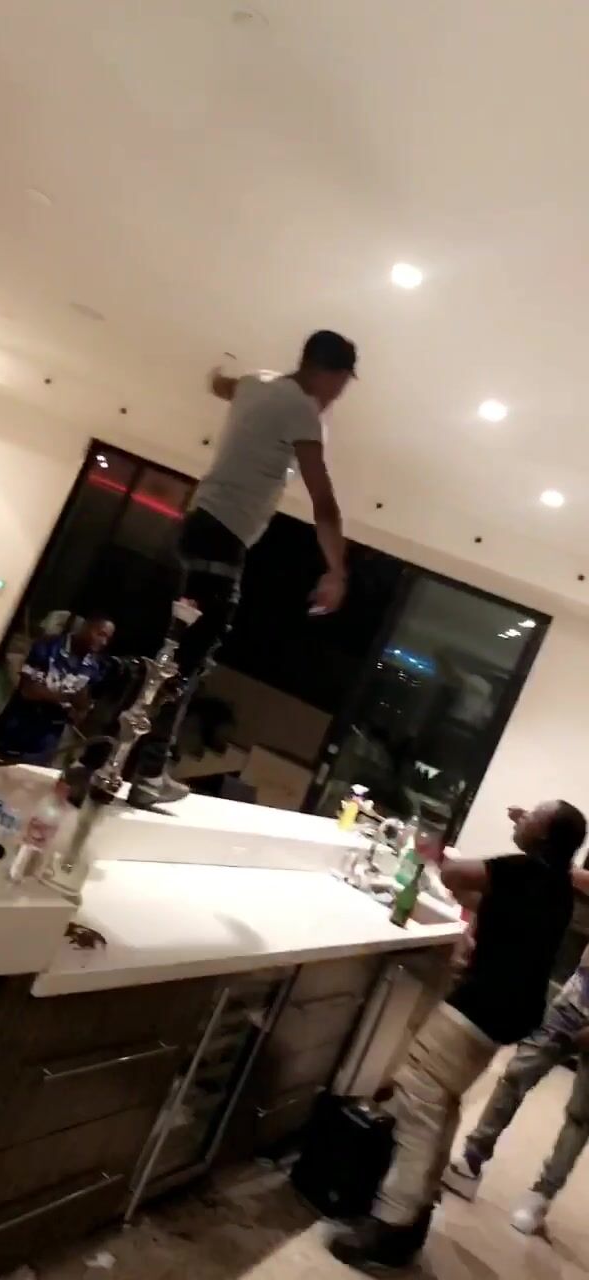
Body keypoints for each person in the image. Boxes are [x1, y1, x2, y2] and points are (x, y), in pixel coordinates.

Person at [330, 800, 587, 1273]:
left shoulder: (524, 870)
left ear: (544, 837)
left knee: (416, 1101)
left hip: (480, 1006)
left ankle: (390, 1226)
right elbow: (488, 899)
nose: (521, 818)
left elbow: (452, 873)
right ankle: (417, 1213)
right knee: (440, 1103)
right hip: (506, 1013)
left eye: (533, 817)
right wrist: (522, 836)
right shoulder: (556, 888)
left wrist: (441, 852)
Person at [128, 329, 357, 809]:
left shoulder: (257, 383)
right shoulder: (303, 413)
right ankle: (146, 772)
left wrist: (217, 370)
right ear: (329, 373)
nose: (338, 395)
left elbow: (221, 385)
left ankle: (137, 760)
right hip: (222, 537)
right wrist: (337, 571)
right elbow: (323, 502)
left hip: (198, 525)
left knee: (178, 651)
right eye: (341, 383)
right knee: (191, 659)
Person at [445, 862, 589, 1237]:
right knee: (515, 1075)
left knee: (581, 1115)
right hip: (575, 999)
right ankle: (471, 1160)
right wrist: (553, 862)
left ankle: (541, 1196)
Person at [0, 616, 115, 764]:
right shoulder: (48, 645)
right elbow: (28, 690)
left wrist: (81, 708)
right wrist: (65, 698)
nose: (103, 642)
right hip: (16, 730)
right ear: (85, 627)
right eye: (100, 634)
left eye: (107, 638)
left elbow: (80, 713)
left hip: (46, 744)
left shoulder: (93, 667)